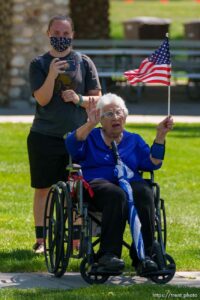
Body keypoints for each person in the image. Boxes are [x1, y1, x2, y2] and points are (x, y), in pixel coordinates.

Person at [65, 93, 174, 273]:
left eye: (119, 112)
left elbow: (153, 163)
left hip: (130, 183)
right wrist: (89, 124)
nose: (115, 117)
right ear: (100, 118)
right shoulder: (91, 136)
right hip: (98, 185)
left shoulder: (134, 140)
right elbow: (71, 145)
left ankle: (145, 255)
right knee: (116, 195)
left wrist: (160, 136)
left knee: (145, 192)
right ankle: (108, 255)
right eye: (108, 114)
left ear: (125, 116)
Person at [27, 15, 101, 253]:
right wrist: (51, 74)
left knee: (78, 187)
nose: (61, 37)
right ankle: (42, 240)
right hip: (44, 135)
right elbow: (42, 99)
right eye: (56, 33)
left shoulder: (84, 62)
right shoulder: (38, 63)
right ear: (48, 34)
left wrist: (79, 99)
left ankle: (77, 239)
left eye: (66, 34)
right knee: (43, 188)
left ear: (73, 35)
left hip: (78, 137)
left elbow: (98, 100)